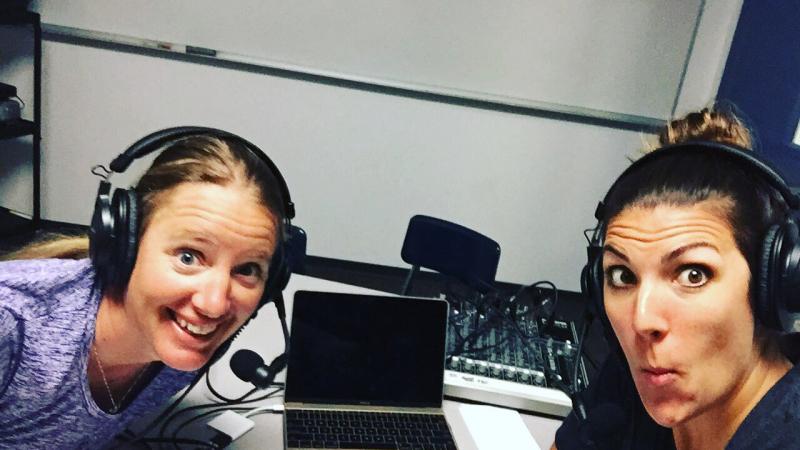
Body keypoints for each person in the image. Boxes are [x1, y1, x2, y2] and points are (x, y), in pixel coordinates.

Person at [0, 130, 291, 448]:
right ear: (123, 245)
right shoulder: (11, 322)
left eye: (247, 269)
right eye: (188, 257)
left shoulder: (183, 347)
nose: (215, 305)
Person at [552, 107, 800, 450]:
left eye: (693, 274)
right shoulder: (641, 375)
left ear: (771, 287)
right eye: (623, 276)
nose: (642, 320)